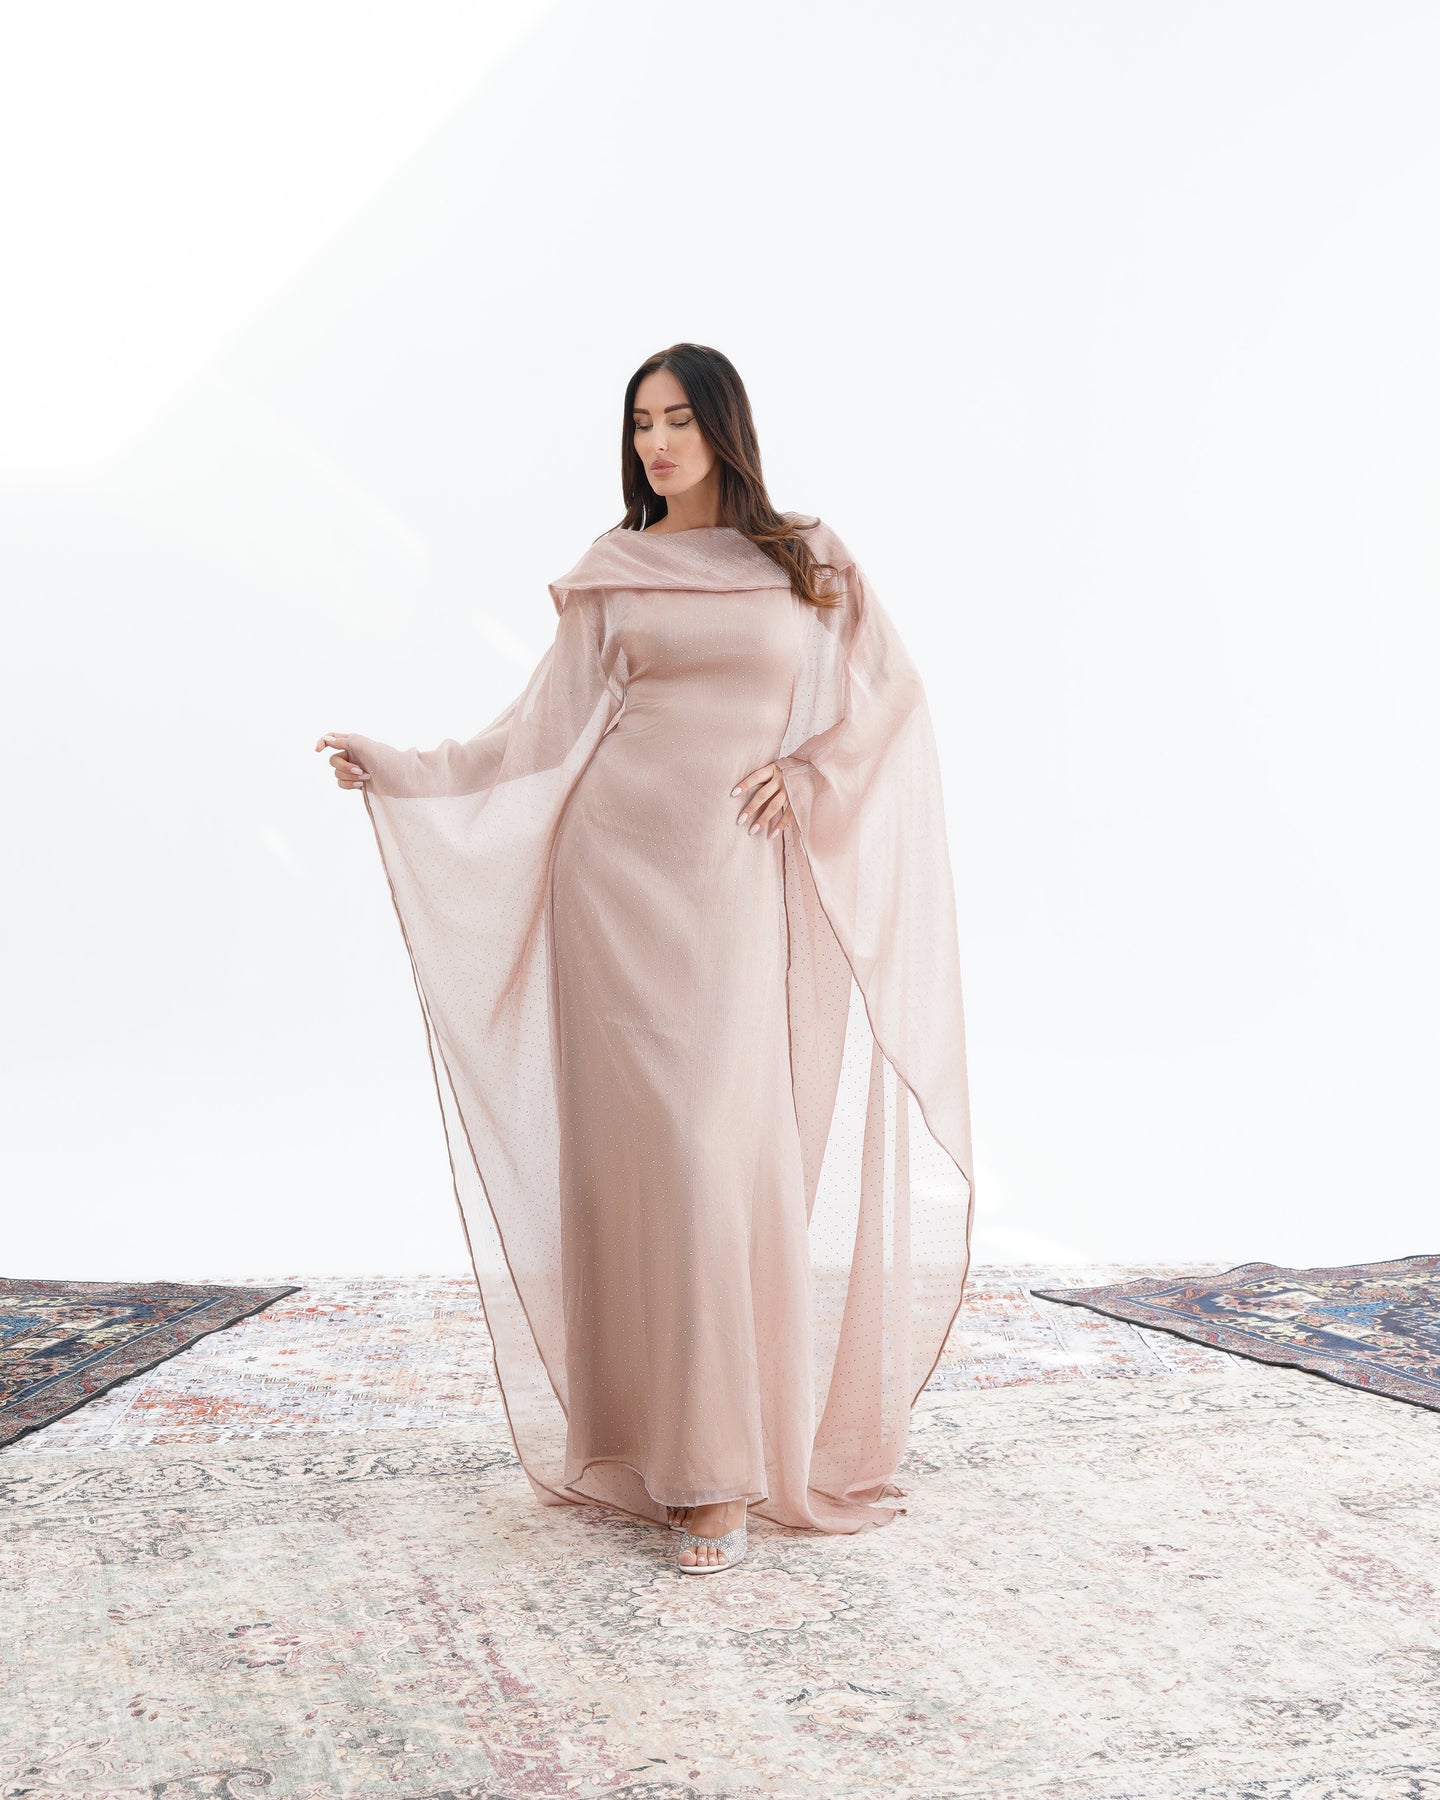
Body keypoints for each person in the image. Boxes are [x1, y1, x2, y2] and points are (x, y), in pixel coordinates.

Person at [316, 343, 975, 1575]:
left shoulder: (806, 557)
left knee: (717, 1156)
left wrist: (812, 772)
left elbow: (890, 697)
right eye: (639, 425)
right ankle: (670, 1457)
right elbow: (536, 732)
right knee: (643, 1166)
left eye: (677, 420)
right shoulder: (615, 572)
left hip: (730, 891)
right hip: (610, 882)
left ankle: (725, 1459)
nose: (656, 444)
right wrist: (403, 767)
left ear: (725, 427)